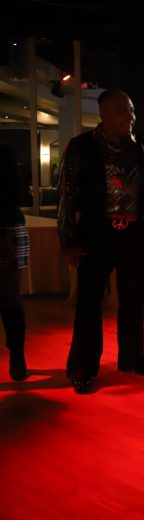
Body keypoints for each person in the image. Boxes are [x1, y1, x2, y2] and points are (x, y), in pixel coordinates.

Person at [57, 89, 144, 394]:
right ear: (103, 114)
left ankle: (132, 355)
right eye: (122, 110)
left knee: (133, 300)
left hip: (134, 234)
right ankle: (83, 365)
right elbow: (67, 196)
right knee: (89, 303)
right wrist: (68, 241)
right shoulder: (81, 147)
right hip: (96, 234)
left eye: (131, 110)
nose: (130, 116)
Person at [0, 143, 28, 381]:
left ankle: (17, 354)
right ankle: (17, 356)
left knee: (10, 298)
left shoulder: (4, 152)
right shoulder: (5, 152)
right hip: (9, 223)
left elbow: (16, 194)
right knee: (10, 299)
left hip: (7, 225)